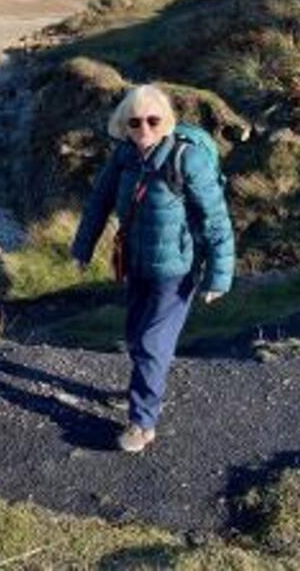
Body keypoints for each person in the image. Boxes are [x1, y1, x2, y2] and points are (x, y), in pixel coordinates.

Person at [70, 84, 235, 453]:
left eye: (153, 120)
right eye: (135, 122)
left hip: (177, 268)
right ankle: (140, 390)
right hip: (136, 262)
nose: (144, 128)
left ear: (167, 121)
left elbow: (216, 220)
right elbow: (99, 201)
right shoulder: (124, 156)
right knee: (134, 333)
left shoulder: (186, 159)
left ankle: (142, 423)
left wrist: (218, 276)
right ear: (123, 125)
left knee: (151, 343)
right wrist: (83, 248)